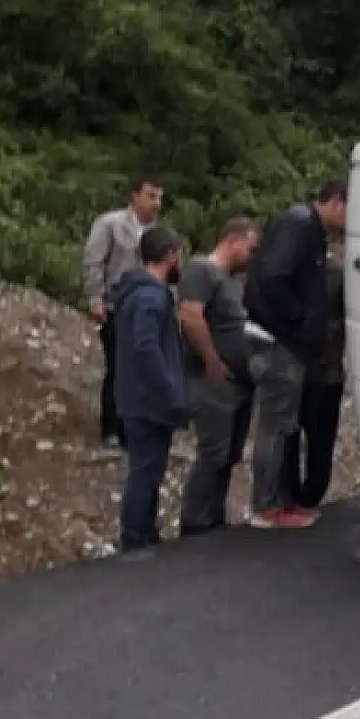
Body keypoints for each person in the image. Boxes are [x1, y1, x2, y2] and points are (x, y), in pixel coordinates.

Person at [242, 179, 348, 529]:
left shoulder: (305, 229)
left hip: (285, 343)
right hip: (280, 344)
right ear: (334, 203)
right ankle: (267, 505)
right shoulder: (300, 226)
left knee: (284, 425)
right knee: (275, 426)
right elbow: (273, 277)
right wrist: (298, 320)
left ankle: (282, 502)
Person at [176, 216, 261, 537]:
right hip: (213, 380)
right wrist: (211, 359)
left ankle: (213, 515)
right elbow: (191, 315)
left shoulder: (233, 281)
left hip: (239, 382)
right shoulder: (202, 269)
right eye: (250, 249)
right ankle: (195, 521)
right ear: (234, 240)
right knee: (213, 451)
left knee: (228, 454)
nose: (251, 257)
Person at [108, 225, 188, 551]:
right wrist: (169, 388)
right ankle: (135, 537)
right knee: (144, 470)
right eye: (178, 255)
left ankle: (143, 531)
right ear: (169, 256)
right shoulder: (150, 297)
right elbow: (145, 346)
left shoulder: (134, 293)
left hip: (134, 396)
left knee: (149, 469)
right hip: (147, 401)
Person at [81, 176, 163, 450]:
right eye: (151, 196)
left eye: (159, 198)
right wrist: (95, 297)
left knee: (140, 368)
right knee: (117, 366)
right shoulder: (110, 224)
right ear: (135, 196)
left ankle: (132, 427)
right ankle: (111, 428)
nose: (156, 204)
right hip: (116, 305)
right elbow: (94, 261)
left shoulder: (159, 233)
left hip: (147, 308)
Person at [282, 230, 347, 513]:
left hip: (299, 368)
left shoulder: (288, 274)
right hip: (320, 370)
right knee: (317, 441)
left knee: (291, 438)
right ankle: (306, 498)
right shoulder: (336, 275)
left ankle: (295, 498)